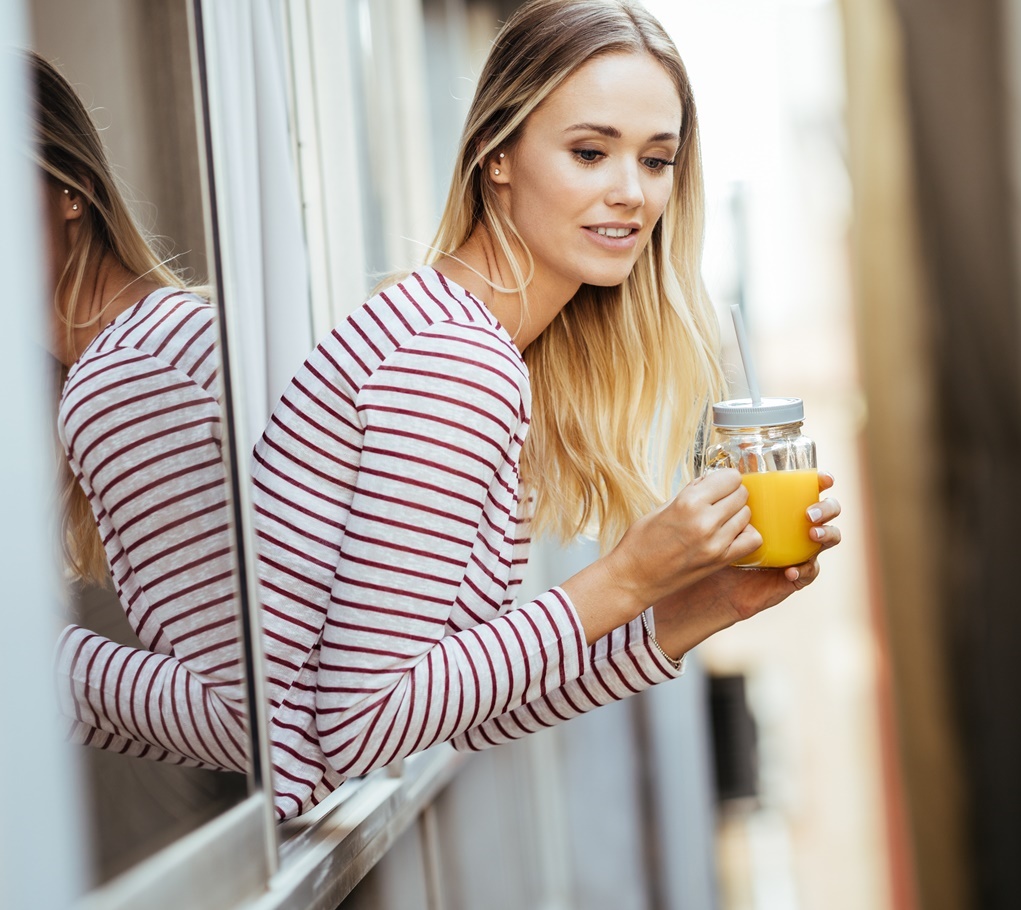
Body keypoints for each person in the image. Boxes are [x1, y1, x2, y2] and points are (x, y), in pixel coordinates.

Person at [247, 0, 841, 818]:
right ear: (497, 154)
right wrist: (627, 575)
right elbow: (359, 725)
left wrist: (704, 605)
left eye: (656, 160)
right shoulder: (452, 360)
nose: (630, 193)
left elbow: (465, 706)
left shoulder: (473, 341)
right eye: (590, 152)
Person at [34, 51, 253, 777]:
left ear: (73, 192)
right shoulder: (170, 331)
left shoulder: (123, 379)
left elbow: (246, 724)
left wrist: (21, 656)